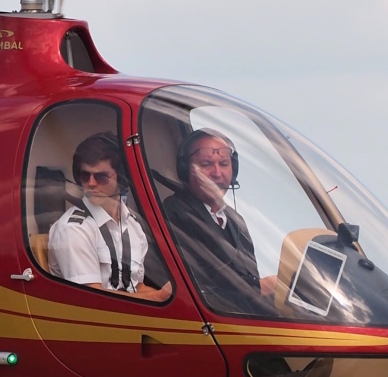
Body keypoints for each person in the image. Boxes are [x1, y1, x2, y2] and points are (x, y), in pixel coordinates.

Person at [161, 128, 278, 315]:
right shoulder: (176, 214)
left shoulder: (235, 221)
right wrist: (263, 287)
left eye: (224, 164)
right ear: (185, 169)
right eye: (206, 164)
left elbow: (248, 280)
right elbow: (201, 290)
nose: (217, 173)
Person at [47, 133, 173, 301]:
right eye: (85, 175)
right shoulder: (74, 229)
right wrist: (161, 297)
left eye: (101, 177)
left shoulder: (133, 225)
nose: (91, 183)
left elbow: (136, 287)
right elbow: (91, 298)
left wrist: (174, 298)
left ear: (121, 178)